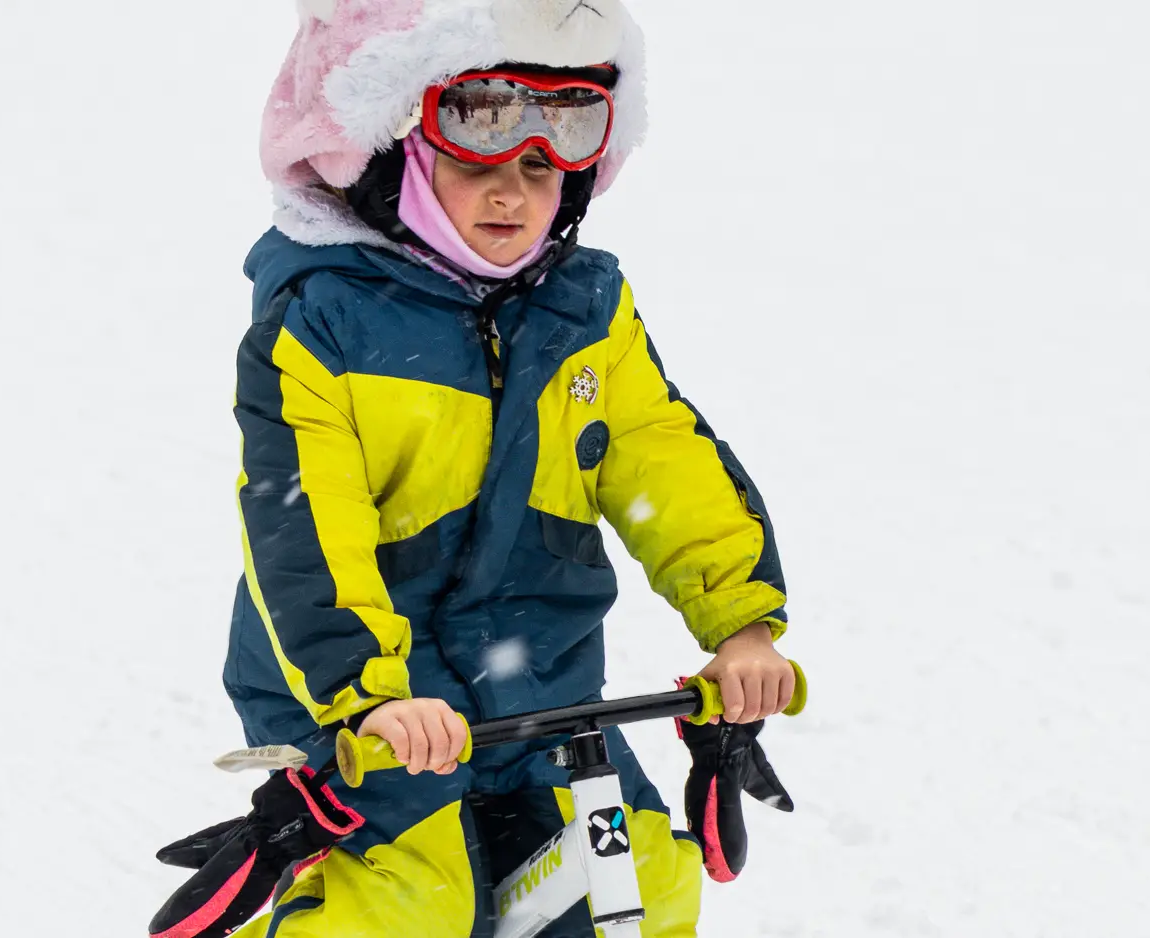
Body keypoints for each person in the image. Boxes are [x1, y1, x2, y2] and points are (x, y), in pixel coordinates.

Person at [221, 2, 794, 935]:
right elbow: (302, 524)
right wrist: (371, 694)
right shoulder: (323, 323)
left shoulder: (585, 311)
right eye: (475, 157)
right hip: (364, 699)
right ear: (391, 158)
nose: (511, 194)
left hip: (542, 684)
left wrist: (741, 621)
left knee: (640, 876)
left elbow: (661, 455)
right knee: (409, 904)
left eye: (541, 164)